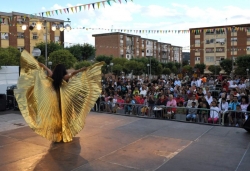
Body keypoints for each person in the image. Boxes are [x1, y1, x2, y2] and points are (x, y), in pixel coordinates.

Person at [14, 50, 104, 143]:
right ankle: (65, 133)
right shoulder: (64, 78)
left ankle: (57, 134)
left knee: (57, 117)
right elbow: (73, 73)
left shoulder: (52, 76)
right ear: (63, 70)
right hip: (65, 101)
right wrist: (82, 69)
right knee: (65, 117)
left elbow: (46, 69)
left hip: (54, 100)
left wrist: (39, 64)